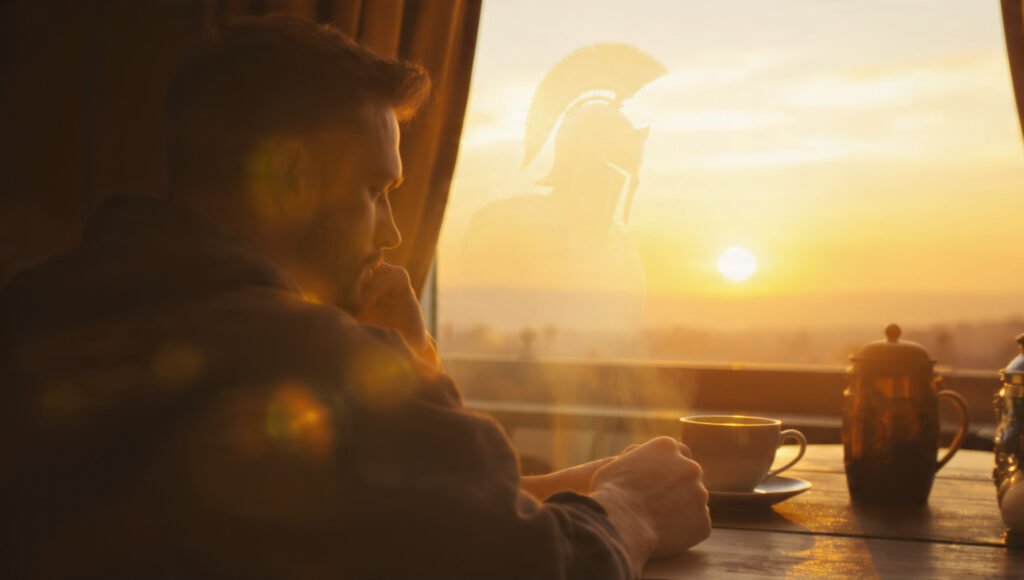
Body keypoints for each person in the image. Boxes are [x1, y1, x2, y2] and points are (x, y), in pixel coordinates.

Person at [0, 15, 710, 579]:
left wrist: (573, 482)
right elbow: (533, 566)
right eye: (376, 192)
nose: (394, 231)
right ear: (290, 178)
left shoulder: (36, 310)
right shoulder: (304, 356)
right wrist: (629, 510)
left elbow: (397, 504)